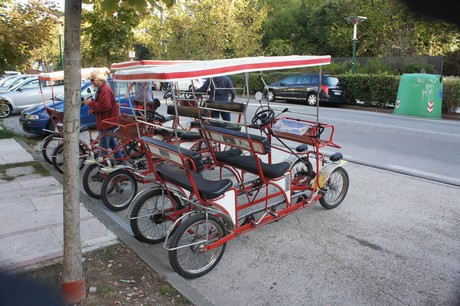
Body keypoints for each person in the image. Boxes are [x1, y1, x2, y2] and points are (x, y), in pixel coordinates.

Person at [83, 69, 123, 162]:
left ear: (99, 79)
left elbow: (105, 105)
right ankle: (122, 163)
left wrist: (90, 103)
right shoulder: (102, 89)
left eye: (92, 80)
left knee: (103, 149)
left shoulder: (105, 90)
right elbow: (102, 105)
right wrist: (93, 109)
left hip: (107, 123)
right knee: (114, 145)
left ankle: (103, 168)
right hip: (106, 122)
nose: (91, 82)